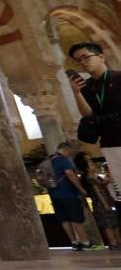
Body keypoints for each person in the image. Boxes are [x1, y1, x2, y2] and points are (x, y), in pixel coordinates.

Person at [69, 43, 121, 173]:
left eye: (86, 57)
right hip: (109, 142)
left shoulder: (118, 77)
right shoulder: (86, 87)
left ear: (101, 57)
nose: (82, 62)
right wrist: (77, 93)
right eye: (78, 60)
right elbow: (88, 115)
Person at [45, 143, 92, 250]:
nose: (70, 154)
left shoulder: (48, 160)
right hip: (68, 194)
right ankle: (85, 242)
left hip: (54, 195)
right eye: (70, 152)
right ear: (66, 149)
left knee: (64, 220)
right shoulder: (62, 160)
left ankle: (74, 242)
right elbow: (69, 173)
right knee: (75, 218)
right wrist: (81, 188)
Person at [73, 153, 120, 249]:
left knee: (113, 223)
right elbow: (98, 192)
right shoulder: (90, 178)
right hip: (101, 204)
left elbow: (101, 185)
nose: (93, 164)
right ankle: (113, 243)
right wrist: (105, 204)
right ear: (86, 167)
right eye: (90, 163)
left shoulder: (94, 177)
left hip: (104, 202)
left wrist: (107, 181)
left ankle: (117, 241)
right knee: (108, 224)